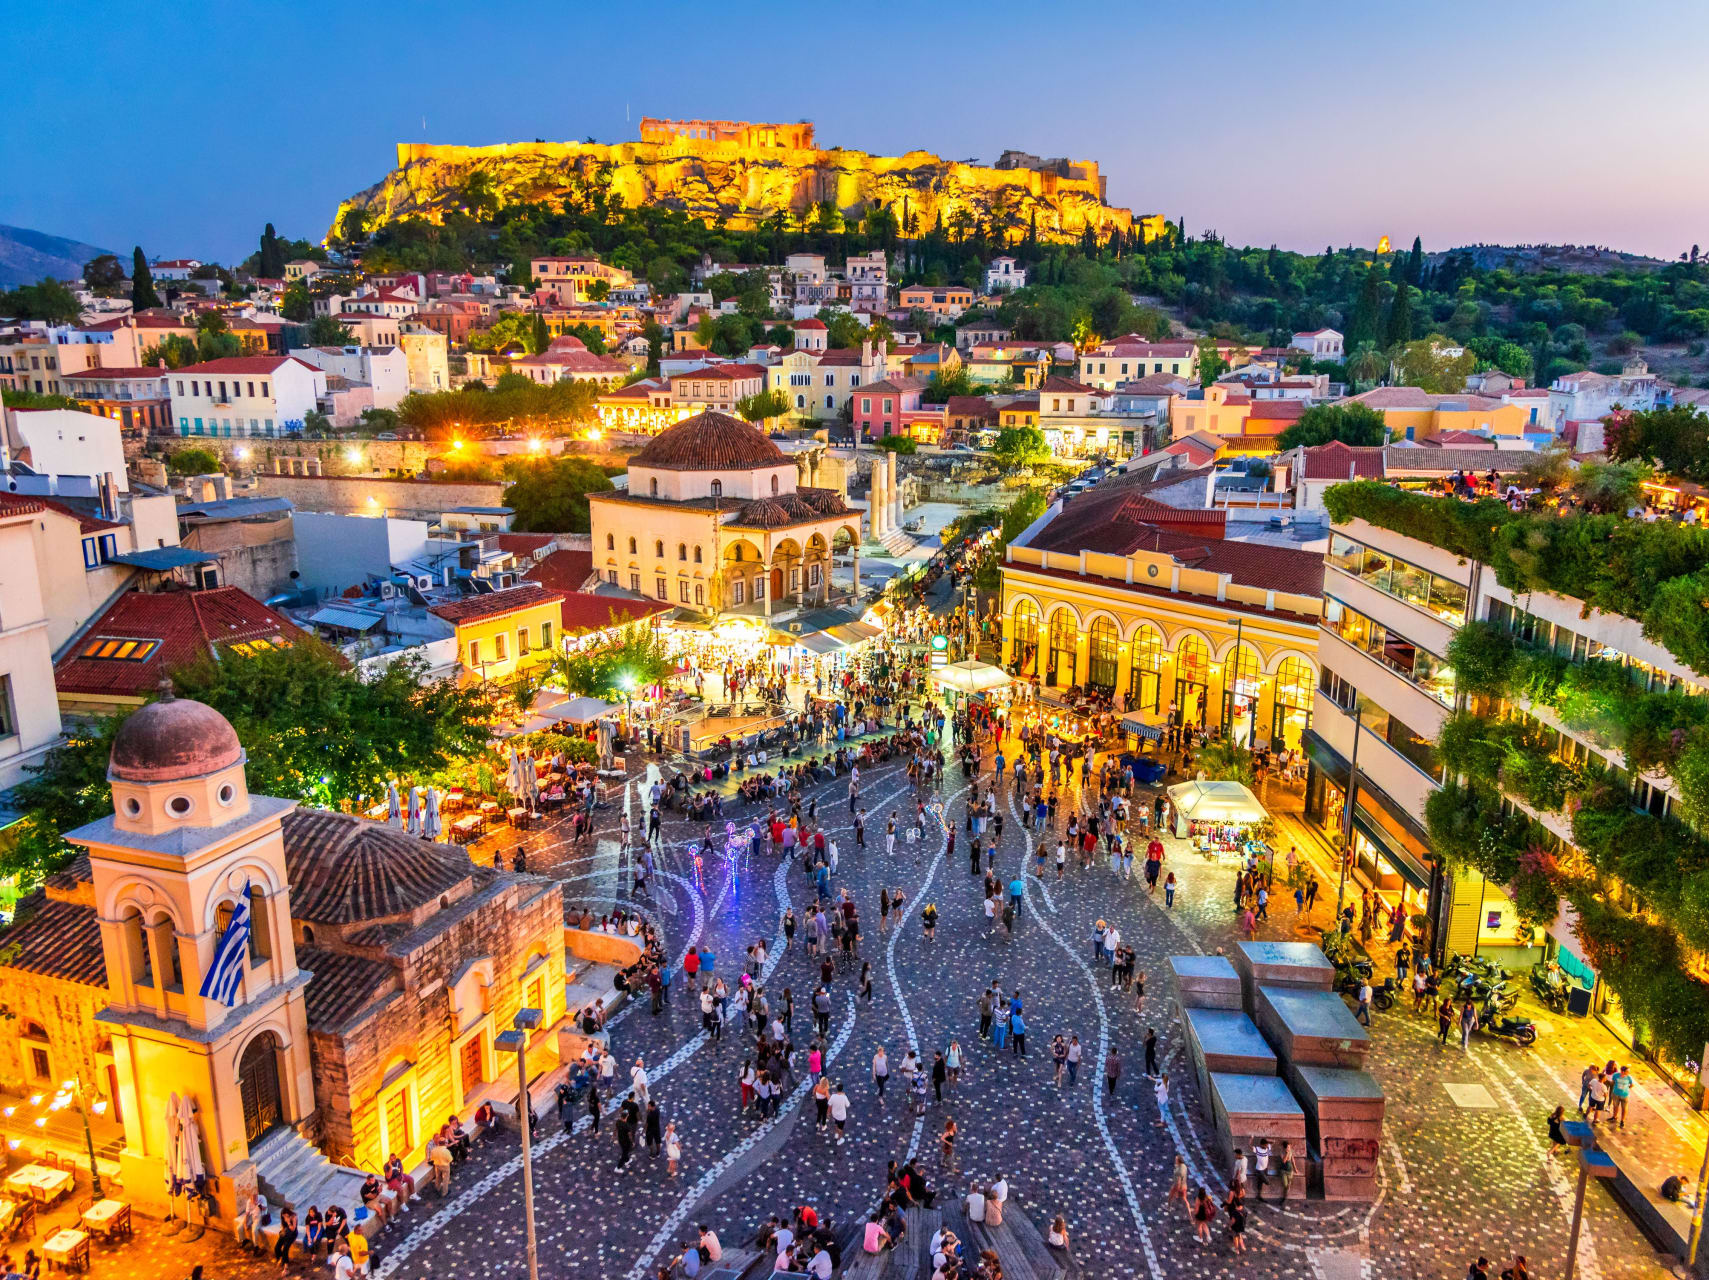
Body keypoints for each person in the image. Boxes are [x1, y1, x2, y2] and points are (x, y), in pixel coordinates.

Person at [1609, 1065, 1633, 1130]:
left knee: (1624, 1108)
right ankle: (1614, 1117)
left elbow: (1632, 1085)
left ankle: (1622, 1121)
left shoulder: (1629, 1077)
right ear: (1622, 1071)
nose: (1628, 1073)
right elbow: (1613, 1082)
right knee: (1615, 1106)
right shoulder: (1615, 1075)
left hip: (1625, 1095)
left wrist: (1626, 1088)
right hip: (1615, 1094)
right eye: (1627, 1071)